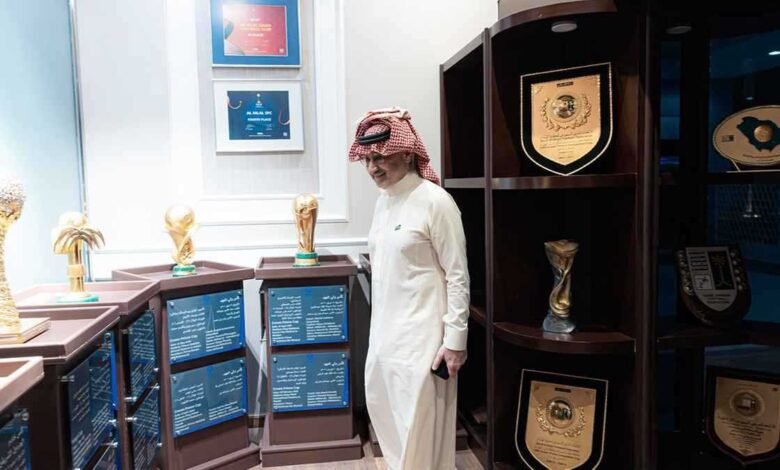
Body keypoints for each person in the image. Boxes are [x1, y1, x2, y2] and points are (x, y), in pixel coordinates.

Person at [349, 107, 470, 469]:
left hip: (424, 340)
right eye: (367, 159)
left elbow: (458, 275)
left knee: (421, 428)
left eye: (380, 157)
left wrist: (455, 341)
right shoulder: (384, 201)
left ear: (405, 153)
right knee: (389, 420)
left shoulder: (436, 201)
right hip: (386, 336)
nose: (372, 168)